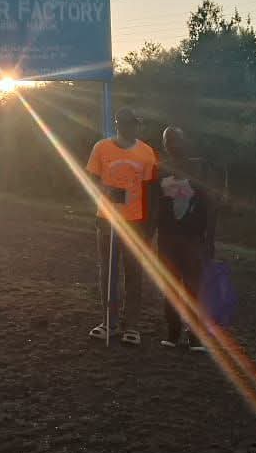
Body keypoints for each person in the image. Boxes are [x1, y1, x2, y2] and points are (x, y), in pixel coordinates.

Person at [86, 106, 156, 345]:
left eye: (133, 123)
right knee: (108, 272)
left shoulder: (147, 153)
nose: (129, 127)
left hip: (135, 221)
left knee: (133, 272)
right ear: (117, 124)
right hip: (107, 219)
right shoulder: (101, 148)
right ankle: (109, 322)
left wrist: (148, 224)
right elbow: (93, 181)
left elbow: (148, 190)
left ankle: (132, 325)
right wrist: (105, 196)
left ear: (136, 125)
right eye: (124, 123)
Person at [156, 126, 215, 351]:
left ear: (184, 141)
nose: (173, 144)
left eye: (176, 139)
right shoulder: (160, 169)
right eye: (168, 141)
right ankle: (172, 334)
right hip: (167, 237)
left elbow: (211, 204)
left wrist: (210, 238)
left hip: (193, 237)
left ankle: (196, 336)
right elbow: (155, 204)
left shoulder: (198, 168)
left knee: (193, 286)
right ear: (164, 145)